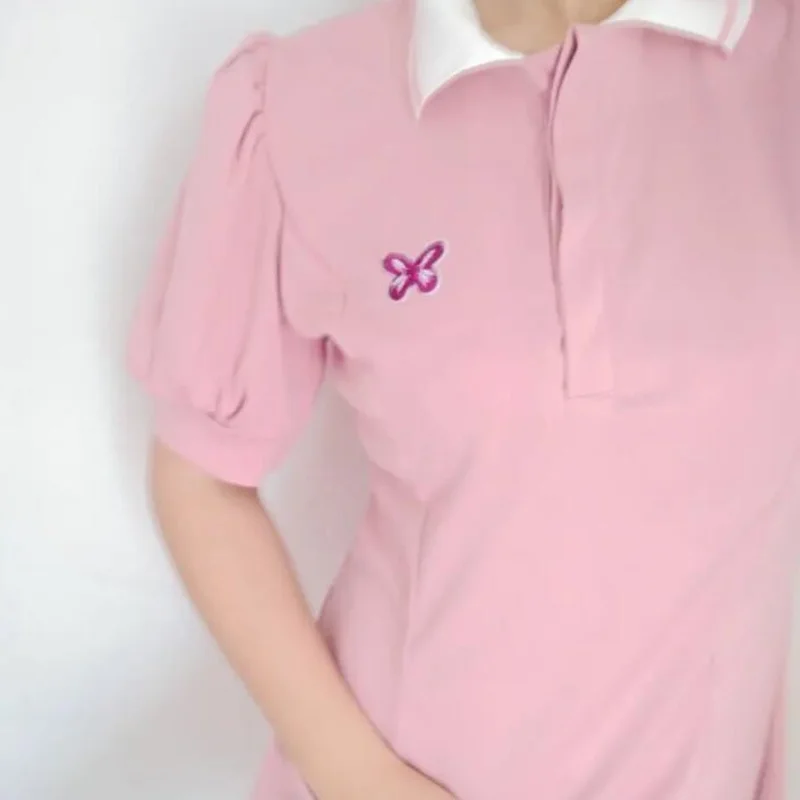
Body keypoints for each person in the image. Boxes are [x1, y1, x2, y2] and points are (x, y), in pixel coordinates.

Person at [126, 0, 800, 797]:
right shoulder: (304, 103)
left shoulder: (777, 63)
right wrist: (354, 773)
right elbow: (201, 474)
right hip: (410, 764)